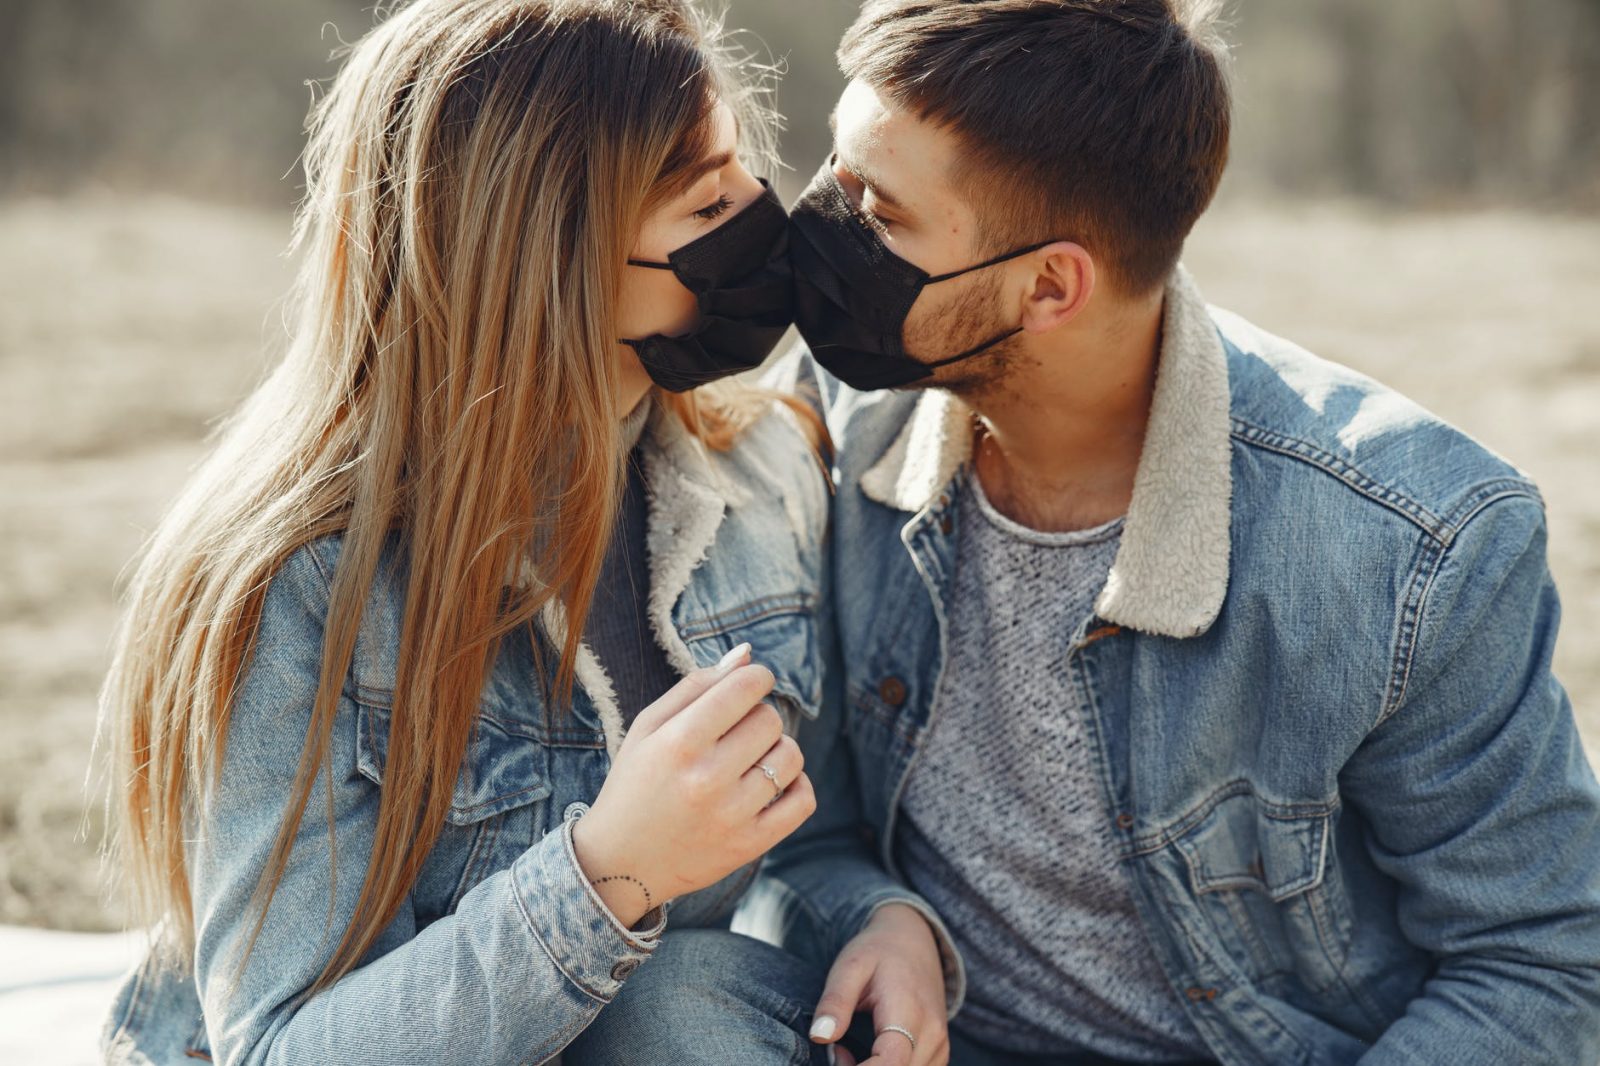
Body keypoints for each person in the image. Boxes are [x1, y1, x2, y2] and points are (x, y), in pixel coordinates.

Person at [747, 1, 1600, 1064]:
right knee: (682, 1007)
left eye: (877, 213)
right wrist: (875, 915)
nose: (818, 226)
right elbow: (805, 825)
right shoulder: (828, 415)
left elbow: (1539, 958)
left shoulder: (1412, 549)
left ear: (1050, 285)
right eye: (836, 170)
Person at [94, 1, 859, 1061]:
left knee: (676, 1003)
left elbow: (812, 834)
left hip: (643, 1035)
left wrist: (877, 919)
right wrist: (608, 874)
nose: (762, 214)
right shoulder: (302, 581)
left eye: (741, 165)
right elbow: (279, 1046)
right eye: (705, 200)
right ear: (545, 255)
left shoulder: (768, 471)